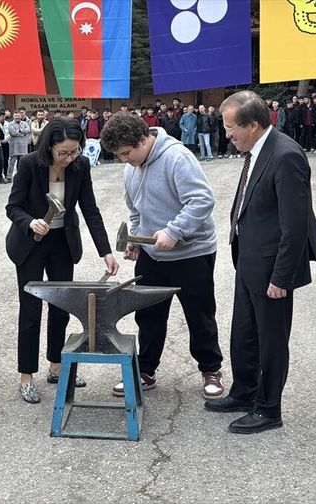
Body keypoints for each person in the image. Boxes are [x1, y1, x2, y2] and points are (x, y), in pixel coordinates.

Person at [205, 90, 316, 434]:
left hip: (272, 268)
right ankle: (244, 392)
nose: (226, 133)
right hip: (248, 259)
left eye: (231, 127)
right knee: (244, 334)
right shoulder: (255, 151)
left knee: (271, 339)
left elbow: (296, 226)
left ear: (255, 125)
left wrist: (281, 278)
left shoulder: (286, 155)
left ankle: (269, 408)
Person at [100, 112, 225, 401]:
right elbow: (136, 209)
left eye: (126, 153)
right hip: (153, 255)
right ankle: (145, 371)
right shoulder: (131, 167)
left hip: (192, 252)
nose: (124, 160)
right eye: (119, 155)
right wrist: (136, 238)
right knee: (148, 315)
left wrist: (174, 231)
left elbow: (202, 200)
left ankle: (211, 370)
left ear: (143, 139)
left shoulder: (177, 158)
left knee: (200, 314)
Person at [5, 116, 118, 404]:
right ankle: (26, 374)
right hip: (31, 244)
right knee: (30, 310)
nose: (69, 158)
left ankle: (56, 365)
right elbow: (13, 206)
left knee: (61, 307)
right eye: (63, 152)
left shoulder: (80, 167)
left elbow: (90, 210)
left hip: (61, 244)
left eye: (75, 151)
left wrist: (105, 251)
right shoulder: (30, 164)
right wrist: (30, 222)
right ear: (49, 147)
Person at [7, 111, 31, 180]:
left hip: (23, 145)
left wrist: (20, 130)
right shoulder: (10, 124)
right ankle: (9, 176)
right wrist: (23, 133)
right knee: (12, 162)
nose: (17, 117)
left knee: (24, 161)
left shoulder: (25, 123)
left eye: (18, 115)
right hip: (14, 145)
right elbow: (13, 133)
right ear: (13, 116)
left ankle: (23, 176)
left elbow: (28, 130)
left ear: (21, 116)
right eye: (15, 116)